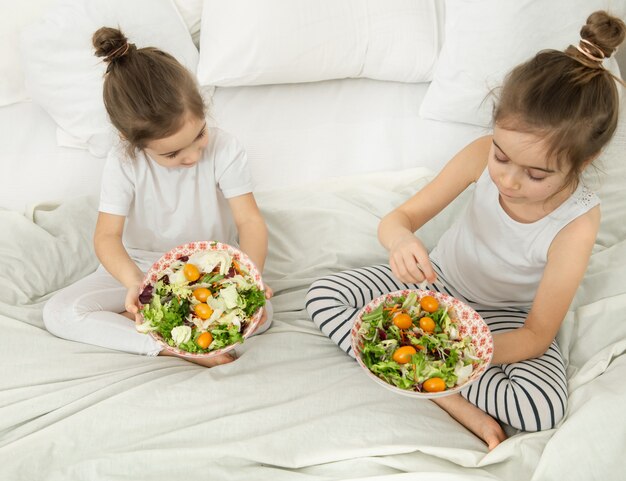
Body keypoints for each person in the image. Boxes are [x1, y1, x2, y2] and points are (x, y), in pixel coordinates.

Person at [305, 11, 625, 450]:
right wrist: (401, 241)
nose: (509, 181)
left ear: (582, 163)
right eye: (502, 156)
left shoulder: (577, 223)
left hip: (505, 318)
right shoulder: (478, 155)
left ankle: (417, 374)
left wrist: (457, 347)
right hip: (437, 281)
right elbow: (398, 220)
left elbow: (537, 334)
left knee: (540, 408)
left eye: (536, 175)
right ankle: (448, 398)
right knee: (322, 296)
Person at [43, 27, 272, 367]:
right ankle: (168, 346)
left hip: (207, 268)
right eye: (172, 154)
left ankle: (145, 324)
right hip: (141, 267)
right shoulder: (123, 162)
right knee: (59, 312)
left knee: (264, 316)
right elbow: (107, 237)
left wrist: (249, 278)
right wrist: (136, 284)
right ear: (131, 140)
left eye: (200, 135)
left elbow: (249, 220)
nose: (192, 156)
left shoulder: (226, 149)